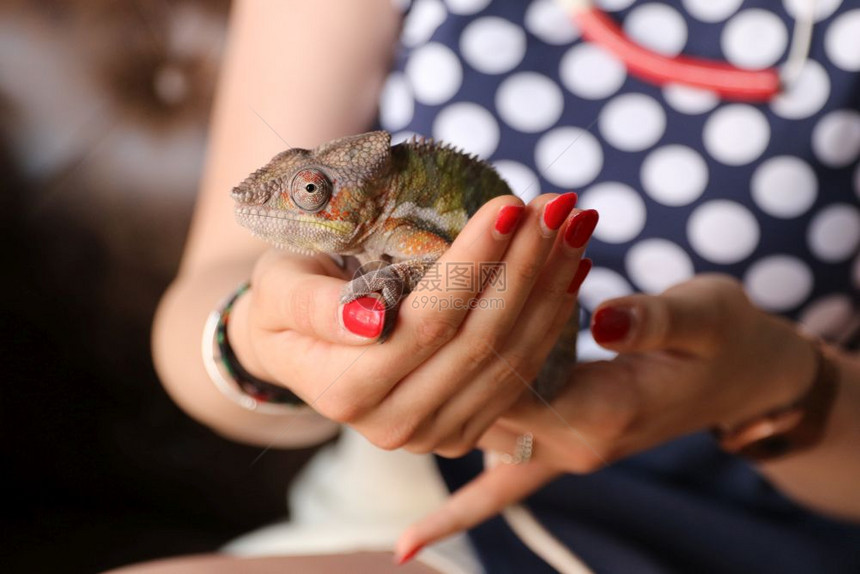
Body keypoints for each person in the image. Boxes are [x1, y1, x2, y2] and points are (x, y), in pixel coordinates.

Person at [136, 1, 860, 572]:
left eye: (312, 191)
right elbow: (212, 288)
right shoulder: (374, 212)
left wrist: (776, 383)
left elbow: (423, 260)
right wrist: (264, 338)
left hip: (748, 524)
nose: (294, 203)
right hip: (422, 485)